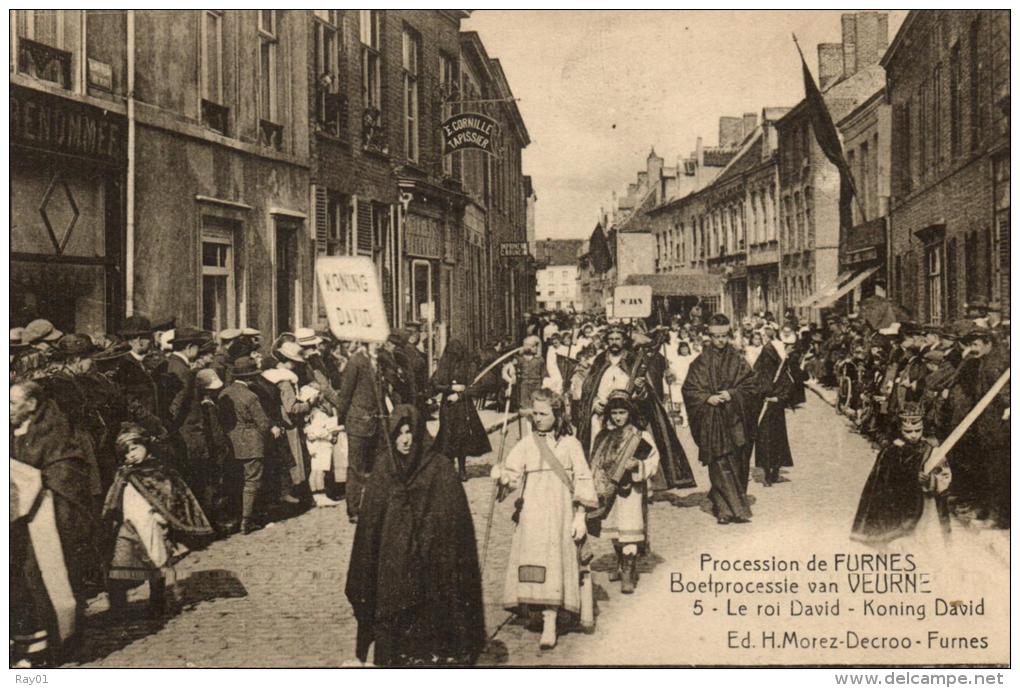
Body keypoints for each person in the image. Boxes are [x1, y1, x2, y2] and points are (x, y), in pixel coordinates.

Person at [346, 404, 486, 666]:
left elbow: (455, 523)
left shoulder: (440, 468)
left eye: (410, 432)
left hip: (431, 564)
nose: (405, 439)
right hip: (394, 566)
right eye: (399, 433)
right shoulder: (384, 469)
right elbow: (369, 530)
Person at [493, 389, 596, 650]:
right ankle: (538, 612)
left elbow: (583, 478)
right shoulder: (527, 443)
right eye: (534, 413)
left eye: (543, 414)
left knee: (555, 562)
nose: (537, 419)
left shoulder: (571, 444)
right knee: (534, 562)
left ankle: (551, 622)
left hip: (560, 513)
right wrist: (502, 475)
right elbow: (513, 475)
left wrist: (581, 516)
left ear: (557, 414)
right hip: (533, 514)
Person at [11, 381, 95, 667]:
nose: (7, 409)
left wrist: (37, 482)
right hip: (20, 521)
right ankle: (30, 643)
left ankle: (60, 643)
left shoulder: (54, 433)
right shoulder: (11, 431)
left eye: (12, 403)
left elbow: (67, 472)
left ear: (31, 405)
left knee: (44, 577)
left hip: (50, 519)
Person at [102, 425, 213, 617]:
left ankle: (157, 602)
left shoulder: (159, 471)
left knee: (157, 561)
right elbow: (113, 498)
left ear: (145, 446)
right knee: (120, 563)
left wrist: (164, 516)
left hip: (151, 523)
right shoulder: (123, 474)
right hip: (128, 524)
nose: (131, 455)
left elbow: (172, 495)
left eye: (135, 449)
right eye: (126, 453)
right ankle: (118, 607)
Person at [682, 314, 760, 525]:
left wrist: (732, 394)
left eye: (724, 336)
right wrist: (707, 397)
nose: (720, 340)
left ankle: (732, 503)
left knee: (737, 462)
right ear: (709, 336)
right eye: (716, 336)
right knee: (719, 462)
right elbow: (689, 389)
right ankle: (727, 510)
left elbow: (752, 385)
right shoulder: (700, 363)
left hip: (735, 419)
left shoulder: (738, 360)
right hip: (712, 420)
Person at [587, 390, 659, 594]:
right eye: (615, 413)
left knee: (629, 528)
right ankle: (620, 561)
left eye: (622, 412)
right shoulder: (603, 436)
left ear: (630, 413)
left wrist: (638, 465)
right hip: (609, 492)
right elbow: (595, 462)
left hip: (631, 491)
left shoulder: (640, 436)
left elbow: (653, 460)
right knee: (615, 529)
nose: (618, 417)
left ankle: (629, 569)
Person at [851, 403, 950, 544]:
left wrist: (930, 481)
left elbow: (945, 476)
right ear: (900, 430)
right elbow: (882, 483)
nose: (914, 435)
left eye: (918, 430)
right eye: (908, 432)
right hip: (897, 508)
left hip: (924, 510)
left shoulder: (931, 451)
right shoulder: (891, 452)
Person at [218, 356, 276, 533]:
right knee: (252, 481)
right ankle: (247, 520)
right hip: (251, 442)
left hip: (231, 441)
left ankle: (234, 518)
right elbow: (263, 423)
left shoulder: (224, 393)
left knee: (236, 480)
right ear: (249, 378)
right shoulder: (251, 396)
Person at [431, 339, 492, 481]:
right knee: (447, 437)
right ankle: (450, 469)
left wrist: (460, 395)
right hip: (447, 407)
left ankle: (462, 469)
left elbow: (476, 387)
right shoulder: (443, 365)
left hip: (463, 407)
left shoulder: (468, 366)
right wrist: (451, 389)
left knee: (462, 437)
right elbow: (435, 384)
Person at [336, 341, 383, 523]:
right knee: (356, 468)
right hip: (358, 422)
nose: (380, 343)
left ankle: (372, 507)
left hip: (376, 421)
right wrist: (341, 420)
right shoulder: (356, 361)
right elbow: (345, 393)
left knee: (375, 467)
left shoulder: (378, 361)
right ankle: (354, 510)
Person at [752, 326, 797, 487]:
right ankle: (766, 472)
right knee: (763, 439)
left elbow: (789, 384)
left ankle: (775, 470)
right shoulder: (760, 371)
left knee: (777, 440)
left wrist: (779, 398)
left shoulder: (782, 368)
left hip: (776, 409)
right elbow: (754, 385)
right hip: (764, 408)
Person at [501, 335, 547, 416]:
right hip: (524, 385)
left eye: (534, 346)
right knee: (525, 409)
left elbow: (544, 374)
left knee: (536, 407)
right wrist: (510, 378)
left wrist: (544, 385)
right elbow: (507, 369)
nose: (532, 348)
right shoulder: (520, 359)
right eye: (528, 345)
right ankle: (528, 426)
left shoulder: (540, 360)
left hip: (536, 385)